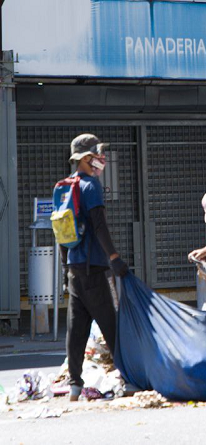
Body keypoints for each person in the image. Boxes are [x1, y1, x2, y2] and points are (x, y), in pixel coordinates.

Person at [59, 134, 129, 402]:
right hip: (94, 268)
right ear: (87, 158)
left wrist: (67, 268)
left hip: (74, 269)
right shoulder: (91, 186)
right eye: (98, 154)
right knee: (110, 325)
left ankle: (75, 386)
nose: (102, 159)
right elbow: (99, 224)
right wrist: (114, 257)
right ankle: (127, 378)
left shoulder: (66, 186)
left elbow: (61, 233)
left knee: (76, 330)